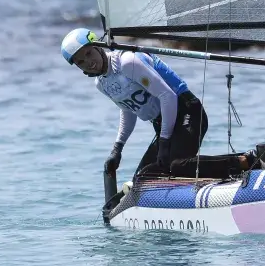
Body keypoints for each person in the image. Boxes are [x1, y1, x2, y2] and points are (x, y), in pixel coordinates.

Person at [60, 28, 212, 179]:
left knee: (177, 165)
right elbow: (128, 110)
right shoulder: (101, 84)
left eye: (88, 53)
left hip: (188, 111)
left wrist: (164, 142)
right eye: (81, 62)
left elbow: (168, 96)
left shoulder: (127, 62)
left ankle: (235, 164)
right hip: (164, 123)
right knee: (142, 177)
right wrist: (117, 149)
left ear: (98, 46)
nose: (88, 62)